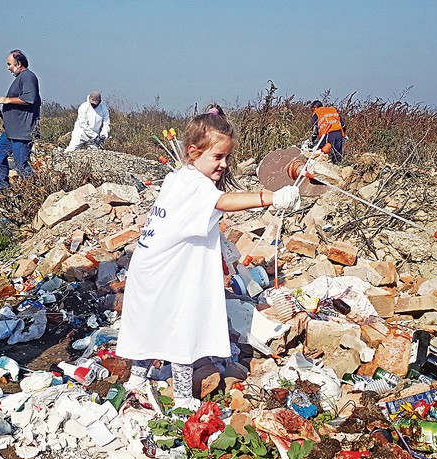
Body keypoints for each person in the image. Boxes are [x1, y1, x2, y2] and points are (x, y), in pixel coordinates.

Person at [115, 111, 300, 410]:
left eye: (227, 157)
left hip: (150, 270)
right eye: (218, 157)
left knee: (151, 325)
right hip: (167, 276)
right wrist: (271, 197)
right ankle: (184, 399)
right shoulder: (196, 186)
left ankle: (137, 379)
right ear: (193, 152)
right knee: (183, 328)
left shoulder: (179, 179)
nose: (223, 164)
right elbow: (223, 202)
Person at [0, 50, 40, 190]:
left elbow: (29, 99)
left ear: (18, 63)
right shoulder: (22, 78)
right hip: (12, 131)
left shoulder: (28, 77)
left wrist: (6, 100)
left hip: (22, 132)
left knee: (21, 164)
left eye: (9, 64)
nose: (8, 68)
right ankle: (3, 188)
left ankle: (36, 191)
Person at [310, 100, 346, 164]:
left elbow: (314, 130)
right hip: (338, 132)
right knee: (337, 153)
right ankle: (338, 166)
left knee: (322, 150)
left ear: (315, 108)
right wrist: (344, 134)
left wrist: (312, 140)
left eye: (312, 110)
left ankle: (319, 165)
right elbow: (343, 124)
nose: (312, 112)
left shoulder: (317, 113)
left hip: (328, 132)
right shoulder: (332, 110)